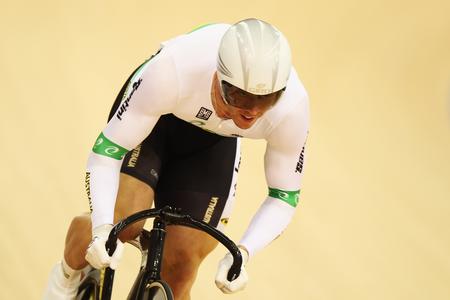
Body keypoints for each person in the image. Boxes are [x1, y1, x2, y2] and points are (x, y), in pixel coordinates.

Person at [43, 18, 309, 299]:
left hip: (213, 145)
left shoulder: (292, 108)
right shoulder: (174, 69)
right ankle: (65, 278)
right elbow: (105, 154)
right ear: (219, 77)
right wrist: (101, 228)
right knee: (123, 222)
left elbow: (284, 196)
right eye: (240, 97)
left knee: (182, 264)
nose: (250, 113)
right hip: (157, 121)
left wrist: (244, 252)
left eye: (265, 101)